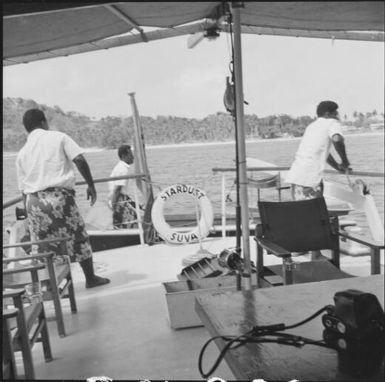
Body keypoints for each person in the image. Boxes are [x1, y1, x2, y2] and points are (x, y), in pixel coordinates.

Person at [15, 109, 110, 289]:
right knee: (78, 237)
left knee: (43, 245)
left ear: (27, 129)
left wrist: (28, 215)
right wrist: (91, 185)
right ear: (44, 122)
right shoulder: (58, 137)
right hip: (59, 198)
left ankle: (49, 285)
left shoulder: (22, 153)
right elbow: (79, 160)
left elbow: (23, 190)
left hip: (34, 202)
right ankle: (90, 278)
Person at [285, 100, 352, 200]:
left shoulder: (311, 126)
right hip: (310, 178)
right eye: (335, 112)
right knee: (314, 211)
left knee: (300, 211)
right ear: (328, 114)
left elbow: (322, 152)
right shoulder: (332, 122)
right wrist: (345, 161)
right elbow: (337, 139)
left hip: (296, 176)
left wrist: (337, 167)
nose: (337, 115)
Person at [108, 145, 141, 229]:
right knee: (132, 221)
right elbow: (117, 190)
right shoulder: (123, 169)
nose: (133, 157)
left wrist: (136, 205)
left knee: (130, 219)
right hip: (117, 200)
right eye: (130, 154)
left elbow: (122, 191)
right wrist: (114, 207)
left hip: (120, 198)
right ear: (123, 156)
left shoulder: (121, 167)